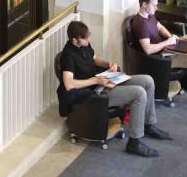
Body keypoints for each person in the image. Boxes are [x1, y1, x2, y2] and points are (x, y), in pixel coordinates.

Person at [60, 20, 172, 157]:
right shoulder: (68, 55)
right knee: (139, 93)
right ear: (74, 40)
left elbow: (94, 58)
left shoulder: (84, 45)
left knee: (148, 81)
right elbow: (69, 84)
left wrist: (108, 64)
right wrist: (95, 80)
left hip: (103, 81)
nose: (89, 40)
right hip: (93, 93)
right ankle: (134, 142)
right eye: (85, 38)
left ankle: (148, 125)